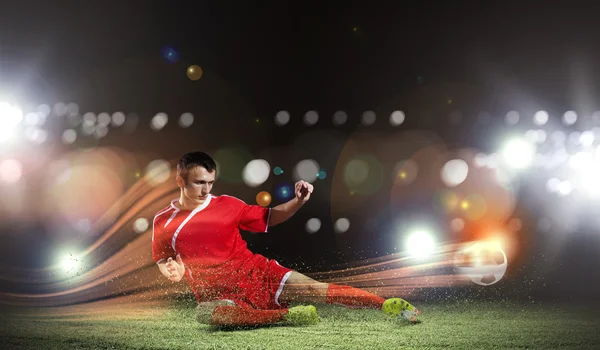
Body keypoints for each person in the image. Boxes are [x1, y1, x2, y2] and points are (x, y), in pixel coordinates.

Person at [152, 151, 420, 326]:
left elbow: (272, 216)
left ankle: (385, 304)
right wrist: (170, 269)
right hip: (221, 296)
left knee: (315, 289)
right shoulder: (163, 221)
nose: (206, 189)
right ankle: (287, 316)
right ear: (180, 181)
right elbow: (163, 259)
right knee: (206, 314)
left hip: (256, 274)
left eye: (210, 182)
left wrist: (299, 201)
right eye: (200, 182)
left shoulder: (227, 205)